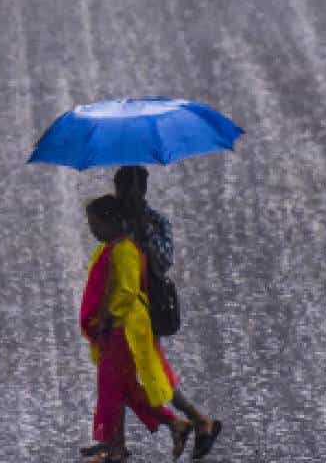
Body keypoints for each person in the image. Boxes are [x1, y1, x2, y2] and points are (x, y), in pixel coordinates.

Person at [111, 166, 223, 459]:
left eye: (130, 189)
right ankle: (193, 422)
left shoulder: (156, 221)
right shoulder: (116, 219)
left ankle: (193, 421)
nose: (124, 194)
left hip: (148, 307)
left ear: (143, 191)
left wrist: (142, 231)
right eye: (120, 187)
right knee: (125, 372)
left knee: (147, 372)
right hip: (123, 304)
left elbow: (164, 262)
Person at [79, 193, 190, 462]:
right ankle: (159, 430)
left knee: (113, 390)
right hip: (115, 331)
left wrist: (108, 315)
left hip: (121, 331)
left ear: (111, 221)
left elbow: (127, 290)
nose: (93, 231)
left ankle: (116, 447)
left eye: (95, 225)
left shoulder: (125, 250)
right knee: (122, 389)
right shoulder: (115, 247)